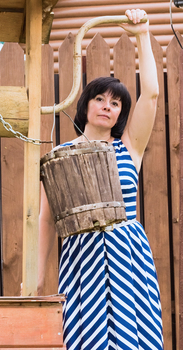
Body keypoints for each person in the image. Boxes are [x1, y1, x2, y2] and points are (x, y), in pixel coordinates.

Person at [37, 9, 163, 350]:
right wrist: (36, 282)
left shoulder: (130, 148)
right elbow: (46, 219)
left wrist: (142, 34)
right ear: (86, 104)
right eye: (100, 99)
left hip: (128, 258)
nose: (107, 106)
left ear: (121, 113)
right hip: (82, 258)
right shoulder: (61, 155)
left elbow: (150, 94)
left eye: (116, 103)